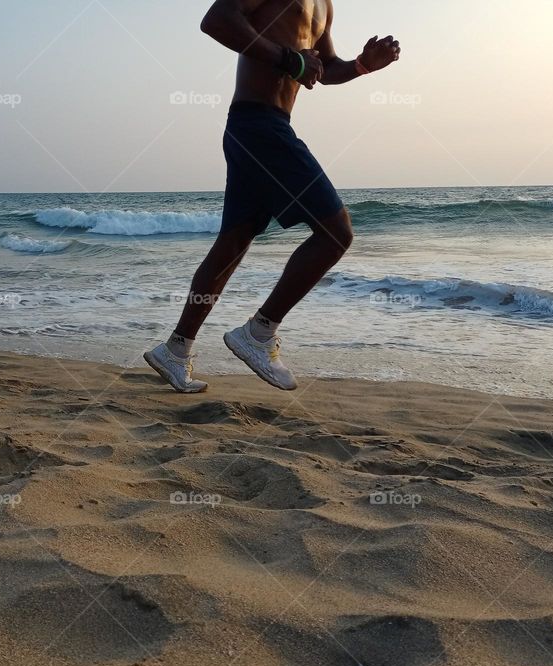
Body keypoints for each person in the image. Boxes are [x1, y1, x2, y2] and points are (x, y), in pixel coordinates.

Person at [144, 0, 401, 392]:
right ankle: (259, 332)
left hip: (261, 126)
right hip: (258, 124)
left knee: (233, 243)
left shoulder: (324, 6)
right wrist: (288, 59)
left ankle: (175, 350)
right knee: (336, 233)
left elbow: (324, 68)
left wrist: (363, 65)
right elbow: (216, 20)